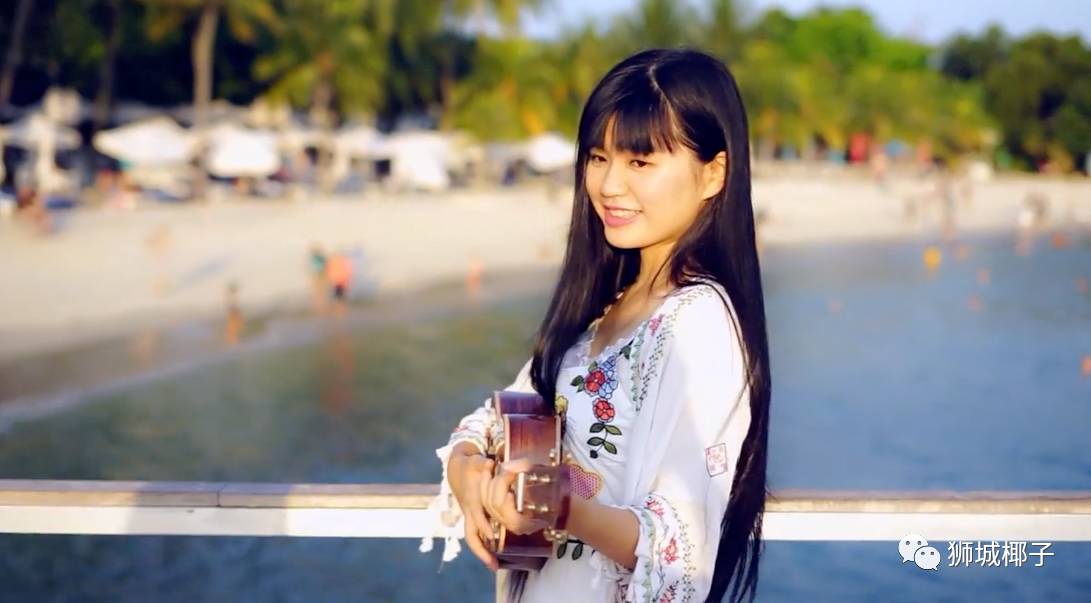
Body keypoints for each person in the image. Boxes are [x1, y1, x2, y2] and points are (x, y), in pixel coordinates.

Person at [422, 49, 772, 603]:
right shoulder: (606, 306)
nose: (609, 185)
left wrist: (563, 508)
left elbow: (680, 545)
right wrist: (467, 475)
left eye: (640, 162)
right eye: (598, 157)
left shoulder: (697, 321)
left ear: (713, 173)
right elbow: (504, 416)